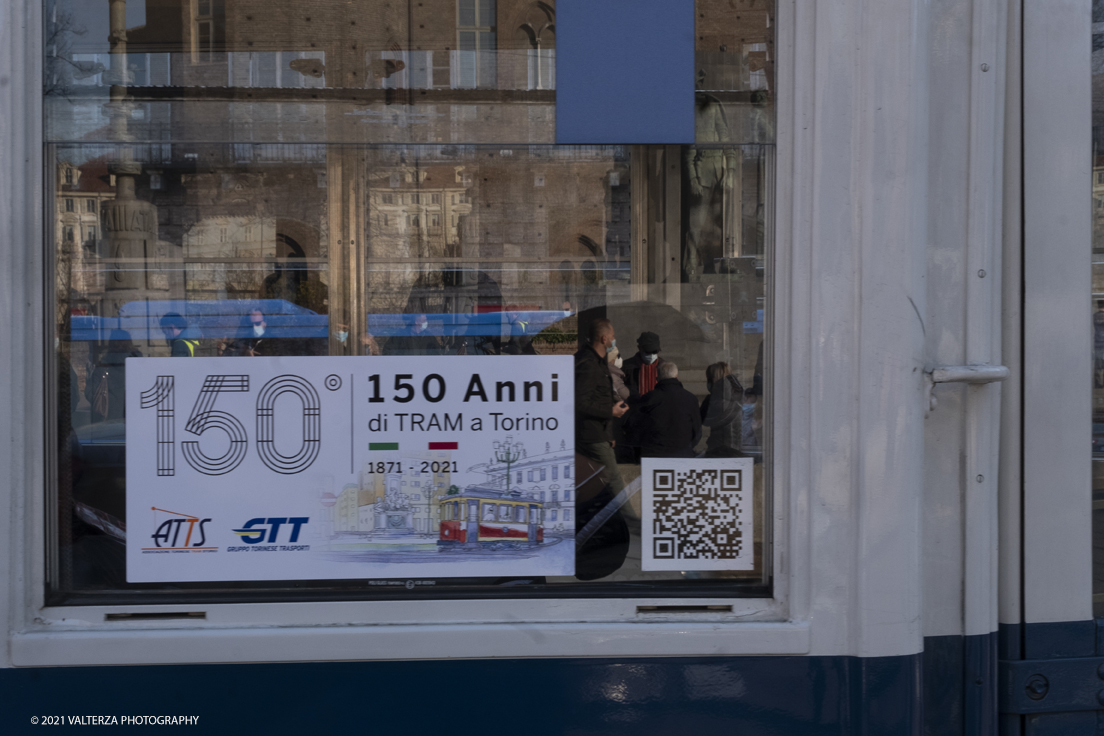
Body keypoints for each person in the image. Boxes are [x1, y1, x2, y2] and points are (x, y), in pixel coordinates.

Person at [574, 318, 629, 495]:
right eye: (612, 336)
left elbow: (599, 398)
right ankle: (632, 522)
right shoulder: (589, 364)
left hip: (599, 433)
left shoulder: (597, 361)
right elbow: (581, 402)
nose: (614, 340)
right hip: (592, 434)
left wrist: (609, 434)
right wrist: (611, 411)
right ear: (604, 339)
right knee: (613, 480)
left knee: (594, 482)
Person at [635, 362, 702, 458]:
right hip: (683, 454)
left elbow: (638, 428)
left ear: (657, 379)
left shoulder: (648, 398)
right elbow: (697, 430)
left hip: (654, 454)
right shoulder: (690, 398)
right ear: (676, 377)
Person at [85, 329, 141, 422]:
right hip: (135, 419)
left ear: (111, 343)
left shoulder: (104, 366)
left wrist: (106, 403)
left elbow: (89, 392)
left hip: (108, 419)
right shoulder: (139, 364)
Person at [700, 362, 744, 456]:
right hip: (737, 448)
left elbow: (703, 420)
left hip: (718, 450)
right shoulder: (739, 396)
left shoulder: (712, 400)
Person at [621, 331, 666, 401]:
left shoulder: (664, 367)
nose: (651, 355)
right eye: (648, 351)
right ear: (639, 348)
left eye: (654, 351)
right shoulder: (627, 367)